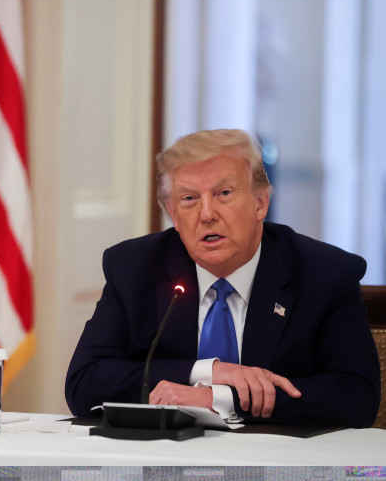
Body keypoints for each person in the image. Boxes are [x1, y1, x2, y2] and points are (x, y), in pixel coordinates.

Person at [65, 129, 380, 427]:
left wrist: (216, 398)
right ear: (173, 215)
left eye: (224, 193)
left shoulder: (324, 273)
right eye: (189, 199)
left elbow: (356, 397)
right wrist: (208, 372)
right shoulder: (134, 268)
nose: (206, 214)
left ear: (260, 203)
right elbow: (85, 383)